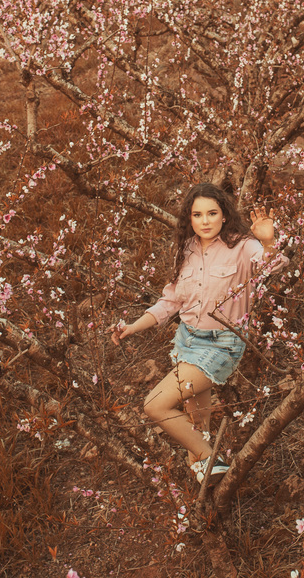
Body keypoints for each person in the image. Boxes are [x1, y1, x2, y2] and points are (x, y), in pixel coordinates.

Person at [111, 182, 279, 482]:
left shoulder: (243, 245)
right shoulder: (187, 249)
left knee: (155, 405)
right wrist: (132, 327)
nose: (205, 221)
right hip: (187, 340)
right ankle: (208, 488)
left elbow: (269, 266)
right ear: (189, 218)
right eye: (197, 215)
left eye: (212, 213)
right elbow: (171, 301)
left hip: (221, 344)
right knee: (197, 424)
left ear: (224, 215)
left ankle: (209, 458)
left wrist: (268, 243)